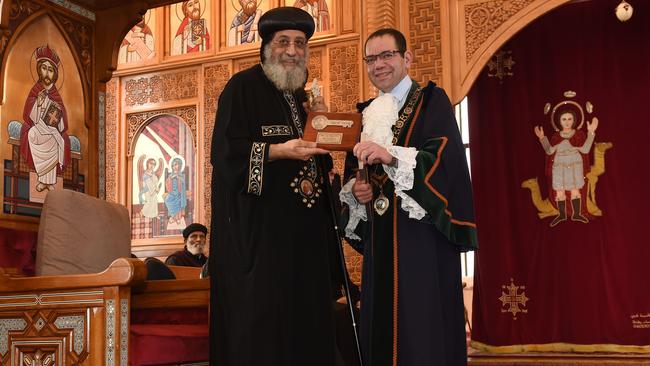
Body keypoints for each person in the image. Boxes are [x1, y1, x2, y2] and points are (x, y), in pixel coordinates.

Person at [210, 7, 345, 366]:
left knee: (310, 327)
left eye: (300, 44)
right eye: (283, 42)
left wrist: (322, 122)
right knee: (264, 330)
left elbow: (322, 160)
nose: (292, 51)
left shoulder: (301, 96)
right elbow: (225, 155)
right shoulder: (242, 88)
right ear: (267, 46)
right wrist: (278, 151)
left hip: (307, 238)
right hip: (261, 239)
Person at [340, 28, 478, 366]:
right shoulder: (365, 113)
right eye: (371, 59)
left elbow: (443, 159)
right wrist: (358, 192)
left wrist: (391, 157)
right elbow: (354, 174)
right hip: (381, 242)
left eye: (387, 56)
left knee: (422, 327)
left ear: (406, 58)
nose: (379, 65)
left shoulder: (433, 101)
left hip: (422, 239)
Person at [20, 45, 71, 193]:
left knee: (57, 141)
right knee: (31, 134)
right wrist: (39, 103)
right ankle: (42, 179)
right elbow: (29, 116)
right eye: (44, 68)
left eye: (50, 70)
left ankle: (49, 182)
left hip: (52, 130)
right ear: (38, 70)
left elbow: (63, 122)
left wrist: (59, 112)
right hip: (39, 126)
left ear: (54, 73)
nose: (47, 73)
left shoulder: (56, 94)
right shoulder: (35, 90)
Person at [534, 110, 598, 226]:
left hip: (575, 166)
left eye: (569, 119)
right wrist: (542, 138)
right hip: (559, 167)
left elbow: (585, 149)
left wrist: (591, 133)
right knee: (560, 192)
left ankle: (577, 214)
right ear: (559, 121)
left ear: (574, 120)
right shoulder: (556, 136)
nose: (567, 122)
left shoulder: (579, 135)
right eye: (564, 119)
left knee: (575, 190)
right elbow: (549, 151)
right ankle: (562, 214)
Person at [164, 157, 187, 228]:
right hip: (172, 193)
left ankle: (177, 218)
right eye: (173, 165)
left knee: (178, 201)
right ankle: (174, 217)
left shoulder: (181, 175)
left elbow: (183, 183)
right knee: (167, 200)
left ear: (179, 165)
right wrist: (171, 179)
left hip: (179, 193)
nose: (174, 167)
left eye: (176, 165)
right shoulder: (171, 175)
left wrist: (178, 178)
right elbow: (167, 183)